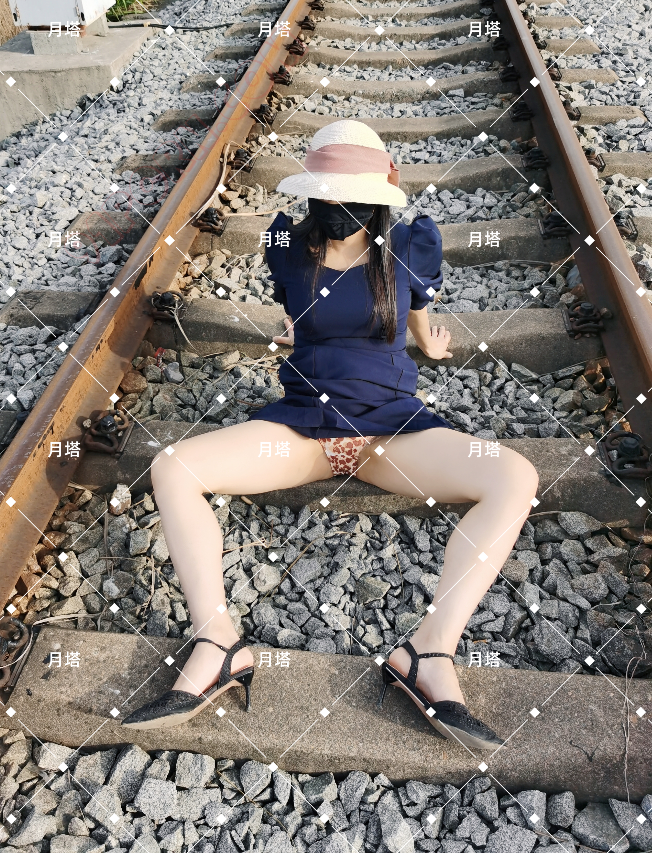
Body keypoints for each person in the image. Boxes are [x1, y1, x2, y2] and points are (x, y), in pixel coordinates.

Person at [122, 121, 539, 750]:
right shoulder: (287, 241)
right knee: (174, 466)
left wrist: (429, 344)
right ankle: (218, 642)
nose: (339, 209)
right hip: (302, 428)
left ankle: (429, 652)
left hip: (391, 430)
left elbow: (416, 313)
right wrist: (303, 334)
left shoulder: (408, 244)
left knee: (515, 476)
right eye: (327, 196)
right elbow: (299, 310)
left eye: (352, 198)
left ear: (377, 198)